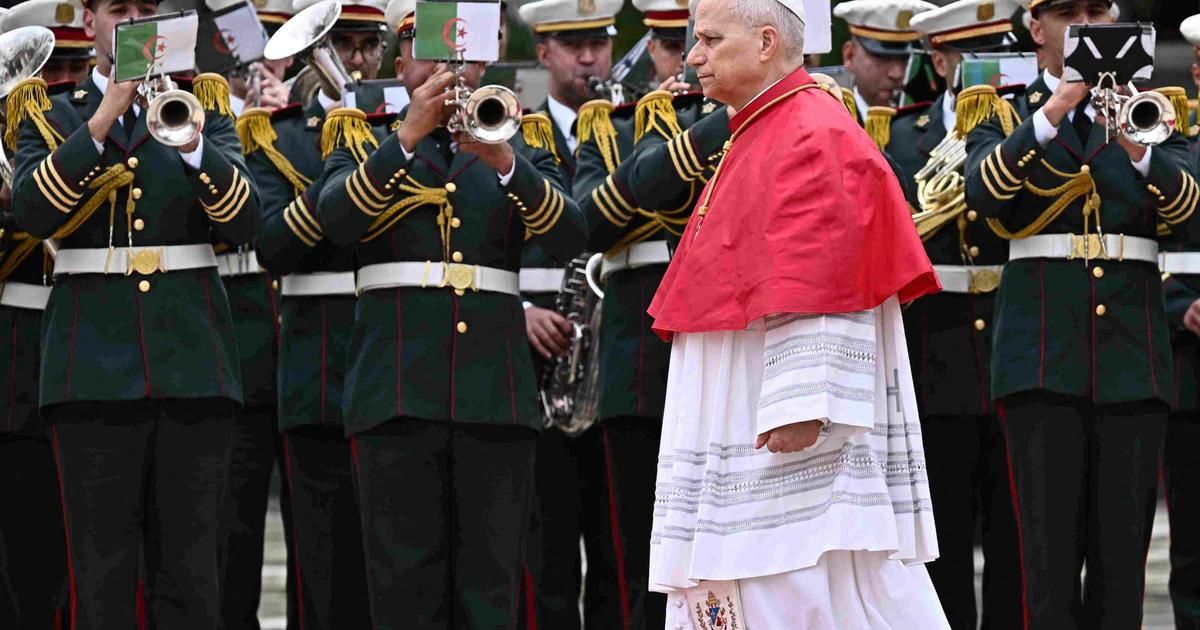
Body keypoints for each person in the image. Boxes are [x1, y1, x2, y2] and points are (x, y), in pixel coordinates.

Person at [646, 0, 948, 626]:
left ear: (763, 43)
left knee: (799, 579)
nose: (694, 56)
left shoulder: (810, 129)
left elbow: (828, 269)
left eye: (707, 39)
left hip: (781, 420)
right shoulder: (764, 125)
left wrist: (805, 402)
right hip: (748, 400)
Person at [315, 0, 586, 622]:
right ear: (401, 59)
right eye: (430, 50)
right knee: (404, 589)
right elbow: (335, 222)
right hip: (397, 394)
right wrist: (406, 137)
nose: (446, 65)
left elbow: (572, 234)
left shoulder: (522, 136)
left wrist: (506, 162)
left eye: (459, 52)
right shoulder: (364, 136)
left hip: (495, 395)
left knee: (490, 591)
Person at [6, 0, 260, 627]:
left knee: (192, 575)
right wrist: (102, 120)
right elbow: (33, 213)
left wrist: (194, 142)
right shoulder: (51, 112)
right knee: (102, 576)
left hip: (193, 365)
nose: (135, 20)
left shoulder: (205, 105)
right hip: (91, 367)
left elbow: (249, 220)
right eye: (120, 8)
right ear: (88, 20)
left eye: (148, 8)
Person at [964, 0, 1200, 626]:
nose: (1086, 23)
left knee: (1122, 568)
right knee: (1045, 567)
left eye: (1098, 9)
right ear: (1036, 28)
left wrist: (1135, 138)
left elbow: (1191, 213)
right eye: (1068, 11)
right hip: (1042, 356)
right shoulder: (1005, 113)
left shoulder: (1155, 113)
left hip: (1131, 359)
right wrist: (1058, 107)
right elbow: (983, 193)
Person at [875, 1, 1022, 627]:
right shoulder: (902, 136)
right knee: (942, 545)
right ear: (939, 62)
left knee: (1020, 541)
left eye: (1001, 57)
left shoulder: (1027, 137)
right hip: (935, 352)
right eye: (972, 59)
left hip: (1017, 345)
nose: (990, 77)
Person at [516, 0, 626, 627]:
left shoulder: (636, 120)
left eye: (598, 43)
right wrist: (519, 310)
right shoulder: (512, 125)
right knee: (546, 553)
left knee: (618, 550)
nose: (588, 58)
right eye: (571, 44)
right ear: (542, 53)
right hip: (536, 361)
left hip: (610, 359)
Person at [0, 2, 92, 626]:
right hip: (13, 353)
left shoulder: (99, 132)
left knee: (74, 554)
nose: (58, 83)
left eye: (73, 66)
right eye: (45, 68)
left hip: (83, 352)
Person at [1161, 14, 1200, 630]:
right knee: (1193, 537)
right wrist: (1181, 304)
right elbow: (1147, 242)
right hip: (1192, 358)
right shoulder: (1172, 150)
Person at [833, 0, 937, 125]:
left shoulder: (926, 121)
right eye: (882, 58)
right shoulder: (833, 120)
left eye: (904, 59)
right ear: (849, 55)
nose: (897, 73)